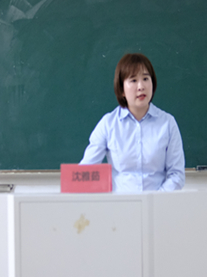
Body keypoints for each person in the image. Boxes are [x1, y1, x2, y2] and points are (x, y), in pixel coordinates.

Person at [79, 53, 185, 192]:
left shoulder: (168, 123)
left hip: (158, 202)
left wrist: (154, 200)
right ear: (122, 89)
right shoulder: (108, 124)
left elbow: (177, 175)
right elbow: (86, 171)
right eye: (133, 80)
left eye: (145, 78)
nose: (141, 86)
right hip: (121, 203)